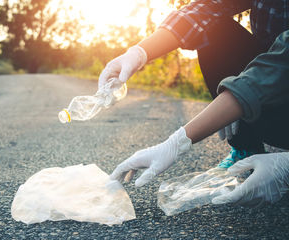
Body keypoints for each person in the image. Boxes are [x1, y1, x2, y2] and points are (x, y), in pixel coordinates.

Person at [99, 0, 289, 207]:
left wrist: (177, 141)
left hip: (276, 85)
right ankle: (245, 149)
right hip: (271, 97)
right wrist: (139, 52)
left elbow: (280, 66)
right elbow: (207, 7)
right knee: (216, 30)